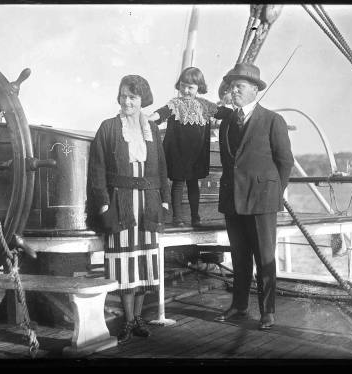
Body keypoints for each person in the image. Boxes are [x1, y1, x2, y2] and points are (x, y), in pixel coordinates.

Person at [87, 75, 170, 344]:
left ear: (142, 99)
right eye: (123, 96)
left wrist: (165, 198)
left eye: (132, 97)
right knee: (123, 261)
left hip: (148, 202)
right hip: (120, 202)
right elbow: (97, 169)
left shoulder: (152, 130)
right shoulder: (109, 127)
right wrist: (102, 201)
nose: (127, 101)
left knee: (144, 260)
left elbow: (162, 167)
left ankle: (139, 318)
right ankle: (128, 319)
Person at [215, 63, 294, 330]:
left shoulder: (273, 120)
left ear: (254, 90)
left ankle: (267, 311)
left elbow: (285, 162)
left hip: (262, 201)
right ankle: (239, 306)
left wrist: (272, 193)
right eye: (231, 86)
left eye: (239, 86)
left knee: (265, 257)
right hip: (232, 201)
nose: (233, 90)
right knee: (239, 257)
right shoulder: (227, 121)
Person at [149, 67, 226, 227]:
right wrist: (148, 119)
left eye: (190, 87)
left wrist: (237, 113)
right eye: (183, 85)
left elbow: (224, 113)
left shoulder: (206, 106)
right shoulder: (175, 104)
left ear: (199, 87)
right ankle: (177, 217)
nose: (186, 90)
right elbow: (161, 113)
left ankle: (195, 217)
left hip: (196, 154)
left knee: (193, 185)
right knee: (177, 184)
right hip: (177, 152)